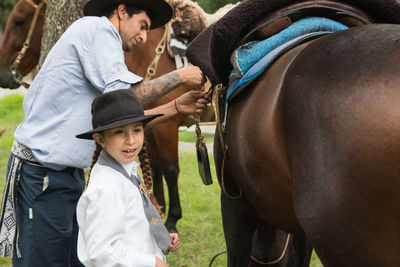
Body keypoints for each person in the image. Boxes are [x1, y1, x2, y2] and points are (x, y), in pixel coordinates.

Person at [0, 0, 208, 266]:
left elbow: (123, 122)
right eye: (142, 25)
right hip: (42, 176)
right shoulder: (97, 30)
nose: (144, 37)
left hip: (64, 176)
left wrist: (176, 105)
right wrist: (179, 77)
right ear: (122, 11)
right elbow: (124, 97)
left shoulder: (104, 47)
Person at [76, 89, 177, 267]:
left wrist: (159, 236)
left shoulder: (124, 172)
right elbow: (102, 253)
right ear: (100, 138)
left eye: (137, 130)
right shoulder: (106, 189)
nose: (131, 140)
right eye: (119, 132)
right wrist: (152, 262)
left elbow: (131, 225)